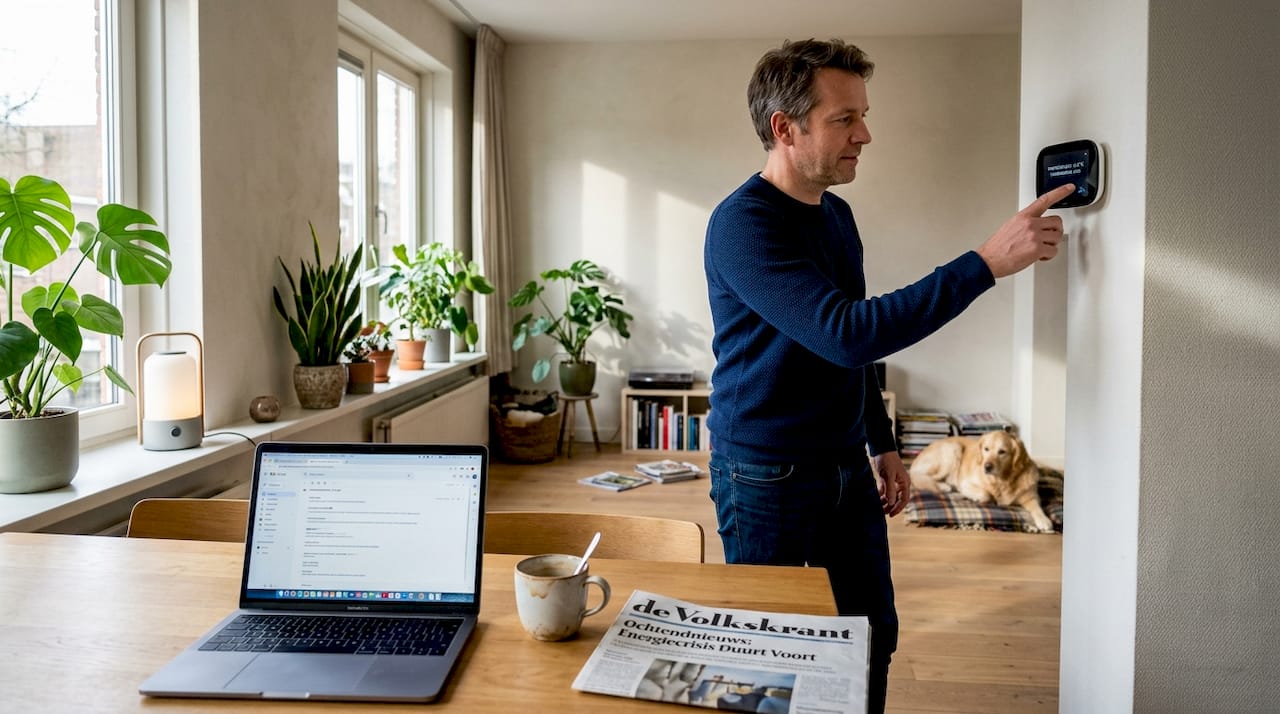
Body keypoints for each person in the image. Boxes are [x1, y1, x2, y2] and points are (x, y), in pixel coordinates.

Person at [702, 38, 1074, 714]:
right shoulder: (742, 226)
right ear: (785, 128)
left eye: (863, 116)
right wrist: (985, 263)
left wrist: (881, 443)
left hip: (847, 463)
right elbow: (848, 332)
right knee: (766, 647)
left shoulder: (836, 215)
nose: (865, 135)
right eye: (844, 118)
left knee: (873, 632)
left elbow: (850, 354)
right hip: (764, 472)